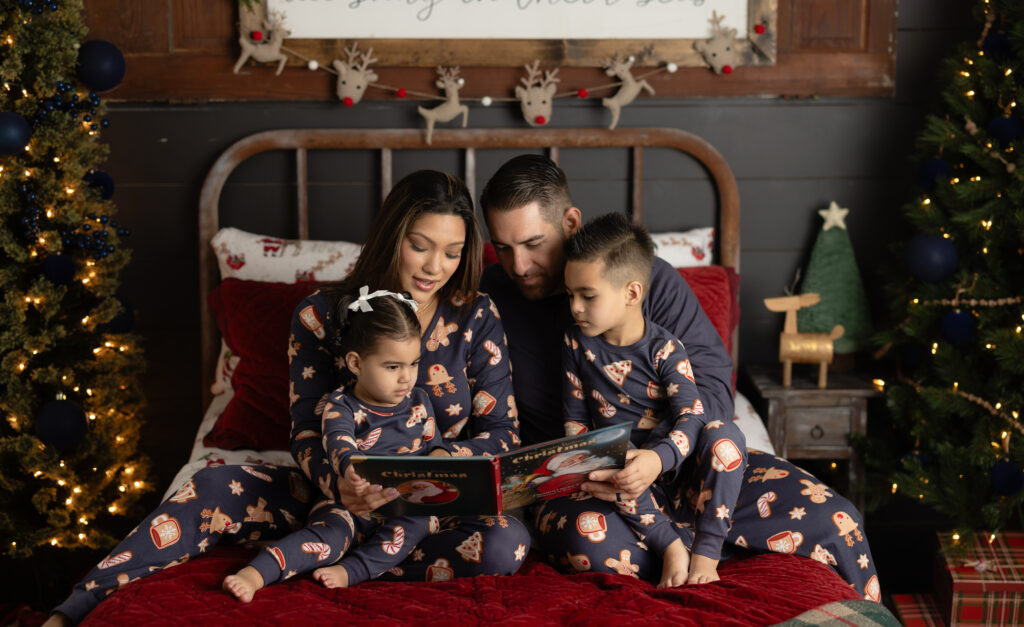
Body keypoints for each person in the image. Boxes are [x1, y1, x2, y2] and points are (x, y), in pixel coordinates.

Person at [48, 170, 529, 625]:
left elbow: (501, 432)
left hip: (429, 510)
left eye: (452, 252)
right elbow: (304, 431)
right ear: (390, 238)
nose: (434, 267)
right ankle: (76, 605)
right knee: (212, 485)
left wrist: (442, 463)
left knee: (506, 544)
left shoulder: (475, 315)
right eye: (419, 246)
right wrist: (338, 483)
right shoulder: (320, 315)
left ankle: (330, 560)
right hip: (328, 494)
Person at [479, 155, 880, 601]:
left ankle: (703, 544)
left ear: (571, 222)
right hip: (592, 489)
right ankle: (694, 548)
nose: (518, 265)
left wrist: (658, 458)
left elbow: (712, 393)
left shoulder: (649, 282)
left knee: (836, 519)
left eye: (533, 243)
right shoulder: (486, 300)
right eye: (503, 247)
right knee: (585, 542)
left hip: (689, 470)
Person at [224, 288, 478, 600]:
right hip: (351, 503)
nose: (406, 378)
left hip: (403, 506)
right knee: (326, 537)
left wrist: (441, 465)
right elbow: (338, 443)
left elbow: (431, 448)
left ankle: (352, 570)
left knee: (421, 524)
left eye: (413, 364)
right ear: (356, 363)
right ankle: (256, 572)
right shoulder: (342, 405)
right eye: (392, 366)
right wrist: (351, 470)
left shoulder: (420, 401)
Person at [562, 212, 746, 587]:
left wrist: (658, 457)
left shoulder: (666, 349)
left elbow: (691, 417)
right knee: (608, 453)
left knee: (726, 436)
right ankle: (673, 548)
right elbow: (576, 420)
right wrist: (584, 457)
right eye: (570, 295)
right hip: (624, 475)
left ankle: (706, 557)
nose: (575, 307)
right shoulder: (575, 343)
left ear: (631, 293)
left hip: (674, 464)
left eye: (587, 295)